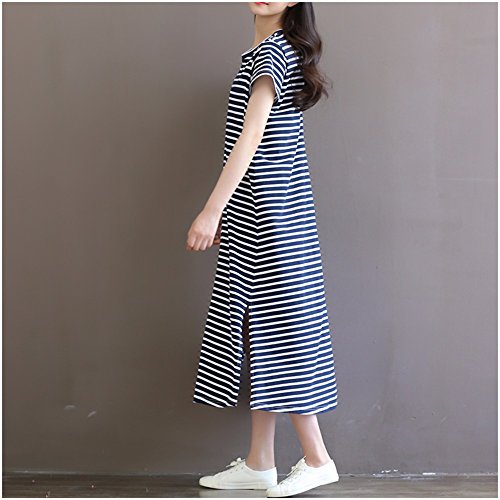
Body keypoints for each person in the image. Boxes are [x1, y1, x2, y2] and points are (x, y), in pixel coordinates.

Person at [186, 2, 339, 497]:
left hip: (270, 210)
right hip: (259, 208)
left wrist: (211, 210)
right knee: (257, 331)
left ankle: (317, 459)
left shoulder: (274, 52)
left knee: (284, 331)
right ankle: (259, 462)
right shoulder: (266, 51)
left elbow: (252, 135)